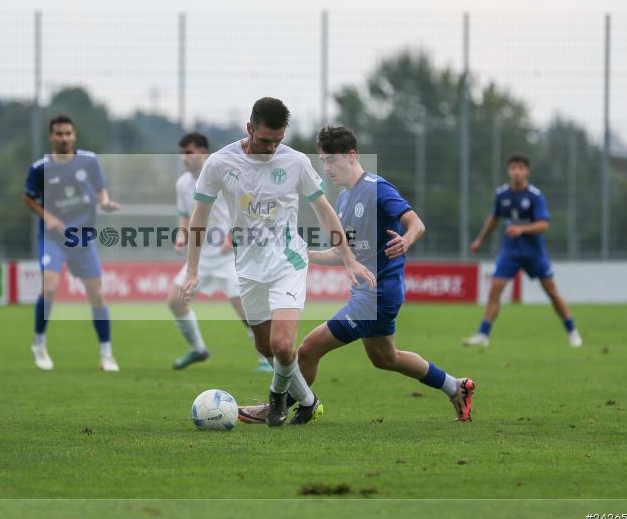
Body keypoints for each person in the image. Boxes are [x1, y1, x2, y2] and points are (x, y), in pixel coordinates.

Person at [238, 125, 476, 424]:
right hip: (371, 295)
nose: (326, 168)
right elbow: (342, 254)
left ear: (351, 156)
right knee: (385, 358)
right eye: (323, 161)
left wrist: (406, 240)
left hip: (376, 295)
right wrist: (302, 254)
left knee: (309, 349)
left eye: (331, 161)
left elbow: (415, 222)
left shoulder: (377, 188)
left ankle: (278, 407)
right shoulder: (343, 199)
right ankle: (455, 386)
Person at [180, 98, 374, 427]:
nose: (272, 147)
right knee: (265, 346)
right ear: (249, 128)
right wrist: (193, 270)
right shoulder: (219, 163)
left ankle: (276, 401)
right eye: (265, 140)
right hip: (248, 267)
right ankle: (309, 402)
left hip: (289, 262)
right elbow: (199, 217)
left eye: (278, 140)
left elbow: (324, 211)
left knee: (282, 345)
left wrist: (349, 259)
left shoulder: (296, 163)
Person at [168, 132, 273, 372]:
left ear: (203, 152)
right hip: (200, 257)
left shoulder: (224, 175)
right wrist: (182, 235)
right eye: (182, 153)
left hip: (228, 255)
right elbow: (186, 216)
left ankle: (264, 357)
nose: (184, 158)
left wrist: (233, 236)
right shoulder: (182, 184)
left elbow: (246, 209)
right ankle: (198, 349)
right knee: (175, 301)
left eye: (189, 152)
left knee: (244, 307)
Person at [23, 114, 121, 371]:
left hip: (82, 237)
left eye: (68, 133)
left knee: (97, 294)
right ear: (51, 137)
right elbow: (28, 197)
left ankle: (106, 354)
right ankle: (39, 344)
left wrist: (104, 201)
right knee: (51, 286)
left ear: (74, 135)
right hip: (53, 238)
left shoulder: (88, 161)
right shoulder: (40, 168)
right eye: (59, 134)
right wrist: (49, 217)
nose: (64, 138)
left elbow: (101, 187)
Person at [465, 154, 582, 348]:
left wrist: (521, 229)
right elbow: (494, 218)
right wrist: (480, 239)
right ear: (508, 171)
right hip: (510, 252)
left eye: (520, 168)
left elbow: (544, 224)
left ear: (527, 171)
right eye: (513, 168)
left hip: (534, 253)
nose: (516, 171)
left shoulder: (535, 196)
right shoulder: (501, 194)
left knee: (552, 293)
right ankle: (483, 335)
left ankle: (572, 332)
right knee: (495, 290)